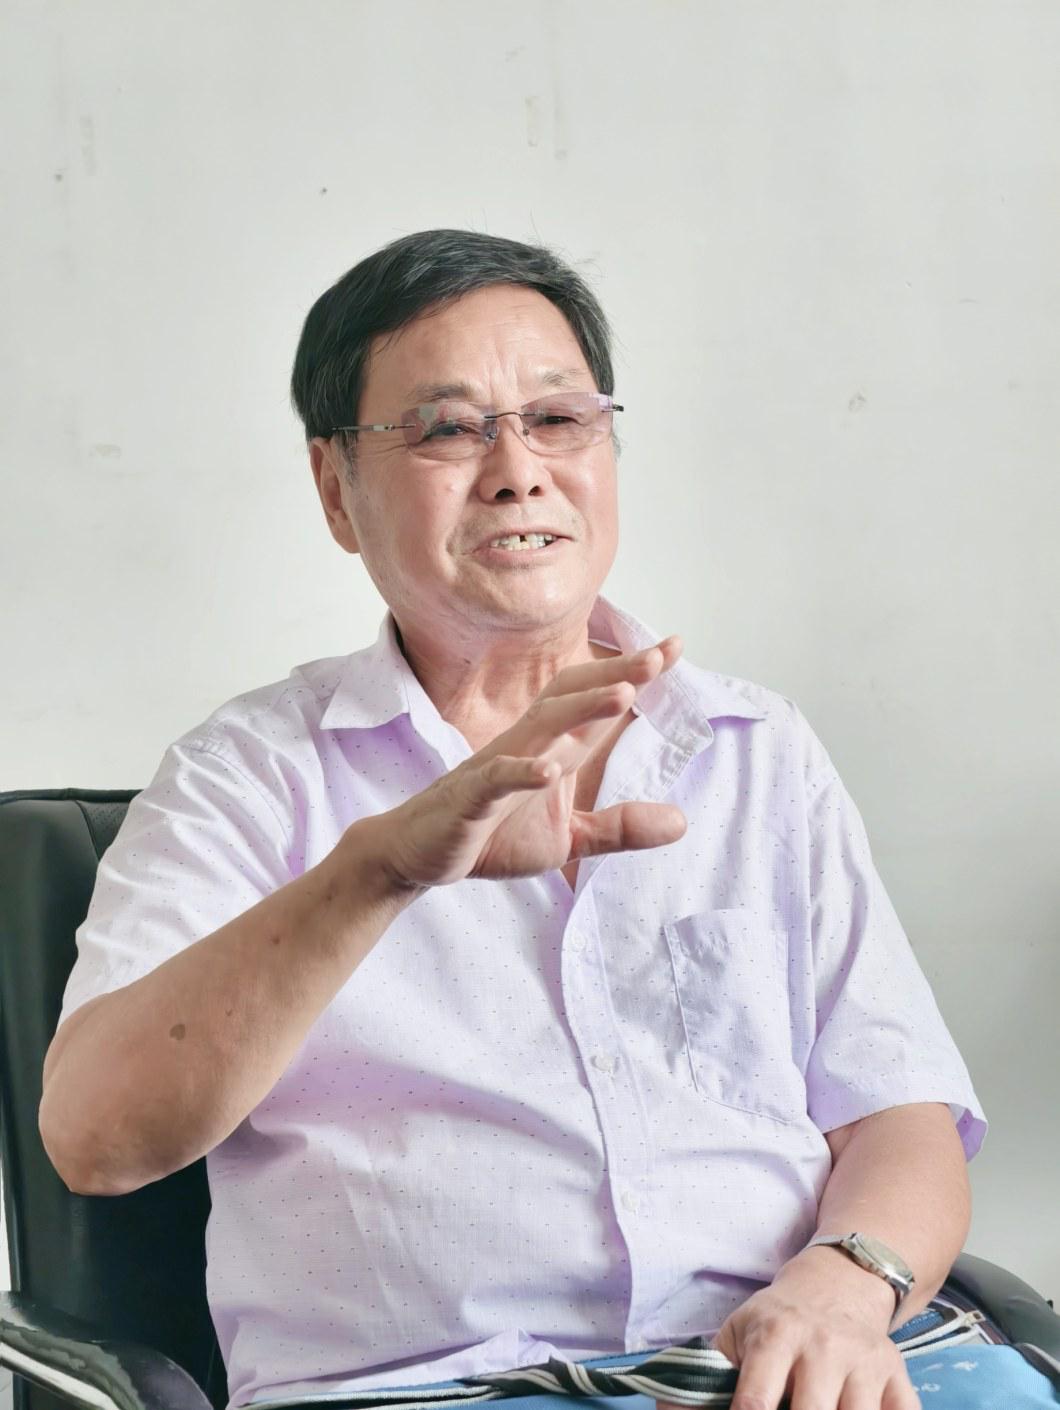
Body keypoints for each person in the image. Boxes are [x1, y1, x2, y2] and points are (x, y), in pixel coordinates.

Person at [40, 230, 986, 1410]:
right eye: (446, 429)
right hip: (437, 1393)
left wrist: (843, 1286)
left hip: (792, 1369)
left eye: (557, 419)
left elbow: (898, 1113)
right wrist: (379, 872)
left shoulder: (755, 751)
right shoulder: (246, 779)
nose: (516, 471)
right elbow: (96, 1139)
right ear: (335, 489)